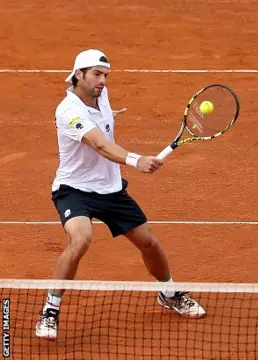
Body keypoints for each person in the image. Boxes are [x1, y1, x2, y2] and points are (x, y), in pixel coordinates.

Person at [36, 49, 206, 340]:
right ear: (79, 74)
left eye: (105, 75)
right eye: (96, 75)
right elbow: (100, 145)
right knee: (81, 239)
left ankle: (169, 292)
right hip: (74, 189)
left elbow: (99, 126)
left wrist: (106, 115)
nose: (102, 81)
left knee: (149, 243)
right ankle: (50, 311)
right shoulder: (68, 110)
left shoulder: (100, 95)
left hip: (110, 189)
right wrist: (136, 160)